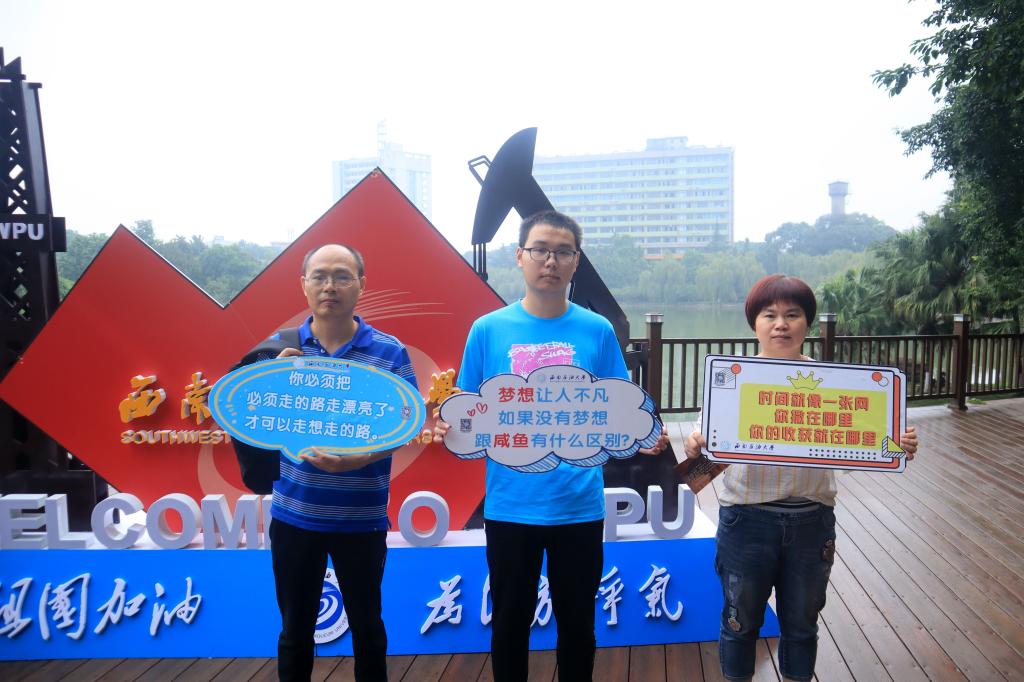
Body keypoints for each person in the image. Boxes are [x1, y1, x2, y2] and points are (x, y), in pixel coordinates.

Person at [434, 210, 669, 682]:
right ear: (519, 256)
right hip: (510, 504)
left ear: (576, 261)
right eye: (540, 249)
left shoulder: (597, 330)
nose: (550, 260)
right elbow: (468, 408)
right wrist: (447, 425)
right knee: (509, 622)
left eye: (563, 252)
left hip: (579, 506)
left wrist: (641, 436)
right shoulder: (487, 329)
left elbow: (617, 406)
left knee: (578, 624)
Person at [683, 274, 918, 682]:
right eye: (769, 315)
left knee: (802, 625)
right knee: (739, 622)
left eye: (792, 314)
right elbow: (708, 442)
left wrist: (896, 445)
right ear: (754, 324)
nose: (781, 324)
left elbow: (855, 447)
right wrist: (695, 444)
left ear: (807, 323)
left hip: (812, 521)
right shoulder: (732, 379)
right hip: (747, 521)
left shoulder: (834, 385)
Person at [260, 243, 417, 682]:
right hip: (294, 516)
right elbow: (252, 419)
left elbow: (406, 427)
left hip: (361, 519)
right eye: (320, 276)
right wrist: (269, 381)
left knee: (368, 628)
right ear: (304, 285)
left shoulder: (389, 352)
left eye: (342, 276)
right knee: (294, 631)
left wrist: (360, 458)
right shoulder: (280, 352)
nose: (330, 286)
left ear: (361, 285)